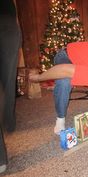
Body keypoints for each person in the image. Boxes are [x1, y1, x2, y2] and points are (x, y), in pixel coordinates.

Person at [0, 0, 22, 173]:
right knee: (8, 80)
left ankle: (8, 121)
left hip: (9, 22)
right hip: (9, 23)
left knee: (8, 80)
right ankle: (9, 121)